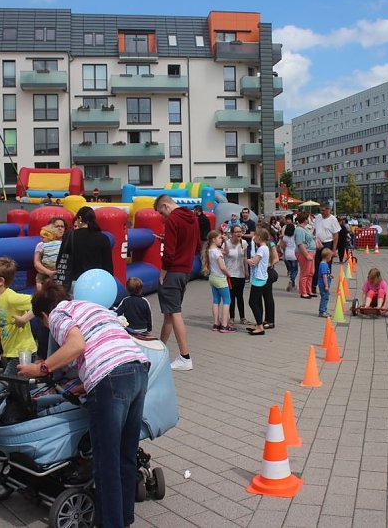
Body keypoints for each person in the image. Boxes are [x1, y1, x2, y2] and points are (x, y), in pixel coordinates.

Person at [19, 282, 150, 528]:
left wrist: (40, 367)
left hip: (110, 376)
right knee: (126, 454)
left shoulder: (58, 314)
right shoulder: (90, 306)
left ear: (44, 315)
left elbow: (76, 345)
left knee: (106, 460)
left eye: (43, 323)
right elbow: (101, 342)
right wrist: (87, 382)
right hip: (137, 369)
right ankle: (124, 518)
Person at [154, 195, 200, 370]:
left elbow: (169, 253)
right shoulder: (192, 217)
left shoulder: (172, 220)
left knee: (174, 312)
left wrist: (162, 273)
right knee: (169, 312)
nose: (163, 217)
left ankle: (185, 356)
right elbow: (195, 246)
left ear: (165, 206)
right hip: (186, 270)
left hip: (173, 271)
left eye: (161, 213)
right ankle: (160, 349)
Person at [58, 207, 114, 292]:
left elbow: (61, 260)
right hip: (97, 284)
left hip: (74, 282)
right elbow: (108, 265)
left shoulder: (69, 236)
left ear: (80, 218)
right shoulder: (103, 238)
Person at [201, 230, 235, 333]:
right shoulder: (217, 253)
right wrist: (228, 274)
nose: (221, 239)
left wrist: (224, 241)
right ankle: (224, 325)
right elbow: (222, 266)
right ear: (213, 239)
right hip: (220, 278)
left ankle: (216, 323)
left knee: (216, 300)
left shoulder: (210, 250)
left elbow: (227, 251)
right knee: (227, 301)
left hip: (212, 278)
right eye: (220, 238)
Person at [245, 227, 271, 335]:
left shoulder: (261, 249)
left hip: (258, 279)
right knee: (257, 302)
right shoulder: (265, 248)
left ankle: (260, 326)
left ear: (259, 237)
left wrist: (245, 259)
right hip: (261, 277)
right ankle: (258, 323)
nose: (254, 237)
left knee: (252, 302)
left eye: (255, 236)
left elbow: (254, 262)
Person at [222, 224, 249, 325]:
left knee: (240, 296)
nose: (239, 233)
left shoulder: (244, 243)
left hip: (240, 274)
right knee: (231, 297)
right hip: (230, 274)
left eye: (240, 231)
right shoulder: (226, 244)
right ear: (232, 233)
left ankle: (243, 318)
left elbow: (245, 257)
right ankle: (232, 317)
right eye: (236, 232)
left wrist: (246, 271)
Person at [311, 203, 340, 294]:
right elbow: (314, 230)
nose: (321, 212)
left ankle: (326, 285)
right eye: (321, 210)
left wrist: (333, 250)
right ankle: (314, 286)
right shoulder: (318, 217)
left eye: (323, 210)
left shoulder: (333, 219)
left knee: (326, 265)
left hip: (328, 243)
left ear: (328, 210)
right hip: (318, 243)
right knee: (316, 265)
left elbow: (336, 235)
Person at [34, 222, 64, 290]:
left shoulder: (42, 245)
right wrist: (48, 272)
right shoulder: (61, 244)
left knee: (39, 279)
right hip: (49, 270)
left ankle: (40, 293)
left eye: (43, 237)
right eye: (58, 226)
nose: (41, 239)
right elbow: (36, 263)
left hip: (52, 270)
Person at [294, 213, 316, 299]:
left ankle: (308, 290)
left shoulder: (304, 229)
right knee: (305, 273)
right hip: (305, 253)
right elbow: (300, 243)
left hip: (310, 252)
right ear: (305, 219)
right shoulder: (299, 229)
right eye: (308, 218)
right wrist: (306, 255)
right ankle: (303, 292)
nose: (310, 219)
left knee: (310, 272)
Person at [279, 223, 299, 292]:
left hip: (287, 255)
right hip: (294, 255)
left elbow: (282, 246)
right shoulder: (295, 236)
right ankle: (291, 280)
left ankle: (292, 284)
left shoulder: (285, 237)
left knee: (291, 269)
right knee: (295, 270)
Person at [317, 247, 335, 317]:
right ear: (327, 257)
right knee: (325, 297)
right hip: (323, 284)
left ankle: (324, 310)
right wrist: (326, 285)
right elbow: (324, 276)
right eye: (330, 257)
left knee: (325, 297)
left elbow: (325, 274)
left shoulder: (323, 264)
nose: (331, 258)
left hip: (324, 283)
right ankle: (322, 311)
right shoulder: (324, 265)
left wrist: (329, 275)